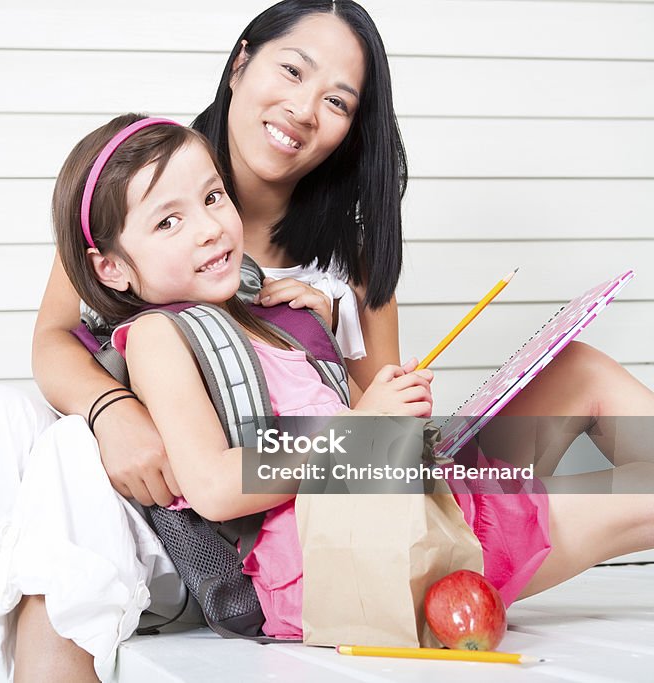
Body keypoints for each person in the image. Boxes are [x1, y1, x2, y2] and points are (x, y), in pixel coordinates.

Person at [0, 3, 407, 680]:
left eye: (337, 100)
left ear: (353, 128)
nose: (304, 109)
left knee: (70, 455)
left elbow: (389, 440)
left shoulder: (350, 262)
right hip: (132, 465)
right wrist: (113, 412)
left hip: (215, 521)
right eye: (291, 70)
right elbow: (52, 338)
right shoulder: (142, 174)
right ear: (241, 60)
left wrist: (325, 340)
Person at [52, 113, 654, 639]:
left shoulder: (266, 314)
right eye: (167, 223)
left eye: (213, 198)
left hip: (384, 507)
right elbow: (211, 486)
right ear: (112, 269)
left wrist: (332, 354)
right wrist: (366, 425)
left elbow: (363, 434)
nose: (209, 227)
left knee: (582, 369)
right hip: (342, 560)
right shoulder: (159, 336)